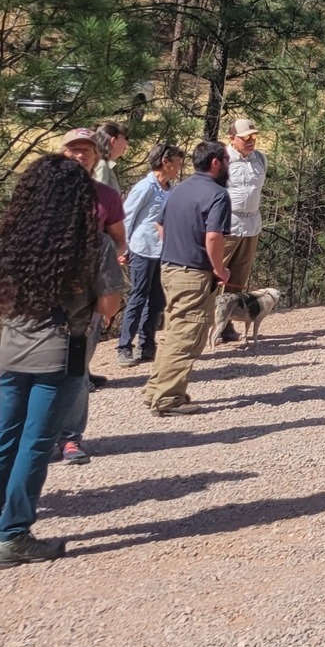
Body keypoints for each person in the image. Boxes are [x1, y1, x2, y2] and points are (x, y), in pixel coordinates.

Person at [0, 154, 122, 566]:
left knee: (5, 437)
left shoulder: (11, 243)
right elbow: (108, 306)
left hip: (13, 350)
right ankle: (14, 535)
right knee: (36, 444)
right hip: (61, 354)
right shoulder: (94, 246)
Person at [141, 140, 233, 418]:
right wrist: (219, 268)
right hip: (193, 274)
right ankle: (168, 398)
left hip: (170, 269)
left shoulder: (178, 189)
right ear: (215, 163)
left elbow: (159, 224)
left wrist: (177, 247)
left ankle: (155, 390)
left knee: (172, 333)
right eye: (226, 160)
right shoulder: (217, 194)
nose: (228, 165)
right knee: (187, 336)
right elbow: (214, 237)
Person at [54, 127, 126, 464]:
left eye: (86, 150)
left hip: (86, 299)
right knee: (39, 369)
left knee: (77, 368)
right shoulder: (46, 191)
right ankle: (40, 436)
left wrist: (103, 282)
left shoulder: (106, 196)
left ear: (96, 156)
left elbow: (118, 241)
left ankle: (70, 438)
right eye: (74, 149)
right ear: (62, 153)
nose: (80, 155)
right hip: (44, 296)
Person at [116, 141, 184, 367]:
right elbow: (127, 217)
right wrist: (123, 247)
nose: (179, 167)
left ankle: (147, 345)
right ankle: (124, 347)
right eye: (177, 162)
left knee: (157, 300)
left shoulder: (170, 189)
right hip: (142, 249)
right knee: (138, 296)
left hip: (161, 251)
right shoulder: (145, 187)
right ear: (165, 162)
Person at [216, 117, 267, 341]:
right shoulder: (222, 160)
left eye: (253, 136)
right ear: (231, 138)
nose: (250, 141)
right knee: (215, 275)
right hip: (227, 224)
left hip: (251, 225)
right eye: (245, 137)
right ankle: (203, 325)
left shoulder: (261, 159)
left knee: (238, 277)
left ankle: (226, 326)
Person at [92, 121, 128, 191]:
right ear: (113, 141)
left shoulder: (106, 164)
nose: (127, 143)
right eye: (125, 138)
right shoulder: (101, 165)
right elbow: (100, 195)